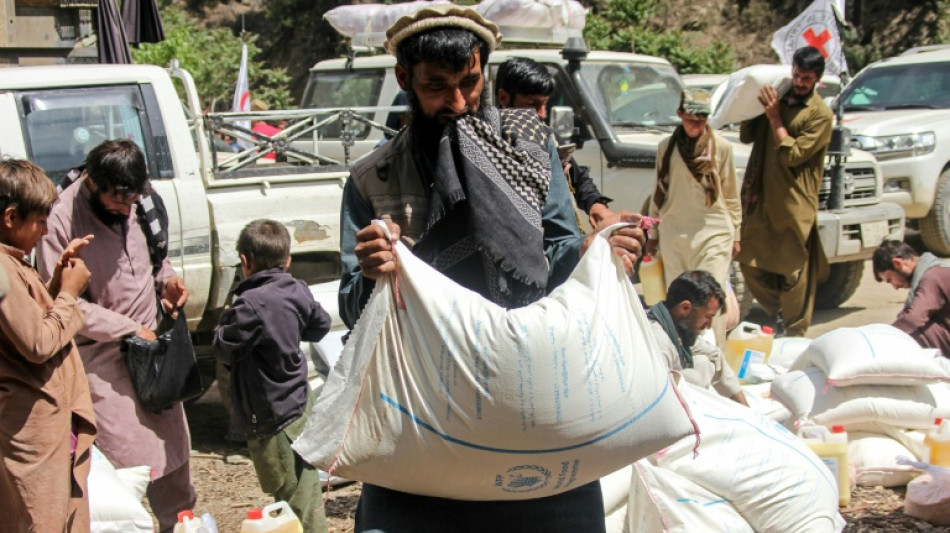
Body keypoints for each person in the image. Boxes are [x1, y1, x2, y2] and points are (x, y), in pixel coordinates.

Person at [339, 5, 644, 532]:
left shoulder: (530, 147)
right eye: (437, 86)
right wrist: (371, 272)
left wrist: (597, 249)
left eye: (470, 82)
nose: (457, 103)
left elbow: (559, 253)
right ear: (403, 78)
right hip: (426, 412)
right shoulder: (373, 179)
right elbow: (350, 307)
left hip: (529, 394)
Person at [37, 139, 194, 532]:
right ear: (93, 183)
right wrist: (127, 328)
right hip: (102, 361)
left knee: (175, 457)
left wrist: (169, 281)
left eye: (132, 201)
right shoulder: (60, 217)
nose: (127, 209)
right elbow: (63, 300)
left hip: (155, 351)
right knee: (128, 464)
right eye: (118, 201)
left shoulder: (141, 200)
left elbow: (154, 261)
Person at [212, 219, 332, 533]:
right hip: (297, 403)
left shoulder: (249, 306)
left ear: (245, 261)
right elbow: (320, 324)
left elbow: (224, 348)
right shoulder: (296, 289)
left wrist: (226, 319)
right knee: (303, 484)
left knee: (294, 497)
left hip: (271, 415)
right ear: (288, 260)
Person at [0, 159, 97, 532]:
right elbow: (38, 343)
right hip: (29, 426)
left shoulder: (15, 264)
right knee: (40, 518)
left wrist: (55, 285)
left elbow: (30, 324)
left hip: (44, 421)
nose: (44, 231)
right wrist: (70, 294)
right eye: (39, 221)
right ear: (10, 217)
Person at [735, 46, 833, 337]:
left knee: (794, 272)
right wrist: (753, 108)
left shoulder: (819, 115)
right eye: (797, 75)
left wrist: (775, 117)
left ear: (817, 79)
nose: (800, 82)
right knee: (750, 262)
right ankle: (779, 311)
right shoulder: (777, 99)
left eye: (807, 78)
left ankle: (795, 332)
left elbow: (793, 155)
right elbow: (746, 135)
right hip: (761, 199)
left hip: (794, 203)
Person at [646, 88, 741, 345]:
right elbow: (659, 191)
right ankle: (681, 354)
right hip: (675, 233)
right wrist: (653, 234)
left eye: (701, 120)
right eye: (690, 119)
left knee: (710, 300)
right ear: (680, 114)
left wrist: (737, 235)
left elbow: (731, 195)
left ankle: (713, 360)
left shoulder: (721, 147)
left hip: (713, 233)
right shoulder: (666, 147)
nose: (695, 125)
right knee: (681, 303)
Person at [495, 56, 614, 229]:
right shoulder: (486, 141)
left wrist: (595, 204)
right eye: (533, 104)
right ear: (504, 98)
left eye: (544, 104)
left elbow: (578, 178)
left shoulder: (547, 137)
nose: (542, 114)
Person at [647, 270, 748, 405]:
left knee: (705, 362)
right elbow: (656, 394)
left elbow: (715, 355)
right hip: (658, 405)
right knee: (694, 377)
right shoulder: (657, 340)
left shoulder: (678, 327)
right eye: (708, 317)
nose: (708, 325)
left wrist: (746, 410)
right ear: (685, 308)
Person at [872, 239, 950, 357]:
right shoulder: (937, 270)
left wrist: (882, 338)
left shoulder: (932, 277)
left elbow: (913, 319)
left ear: (898, 263)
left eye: (890, 279)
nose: (895, 286)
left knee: (915, 331)